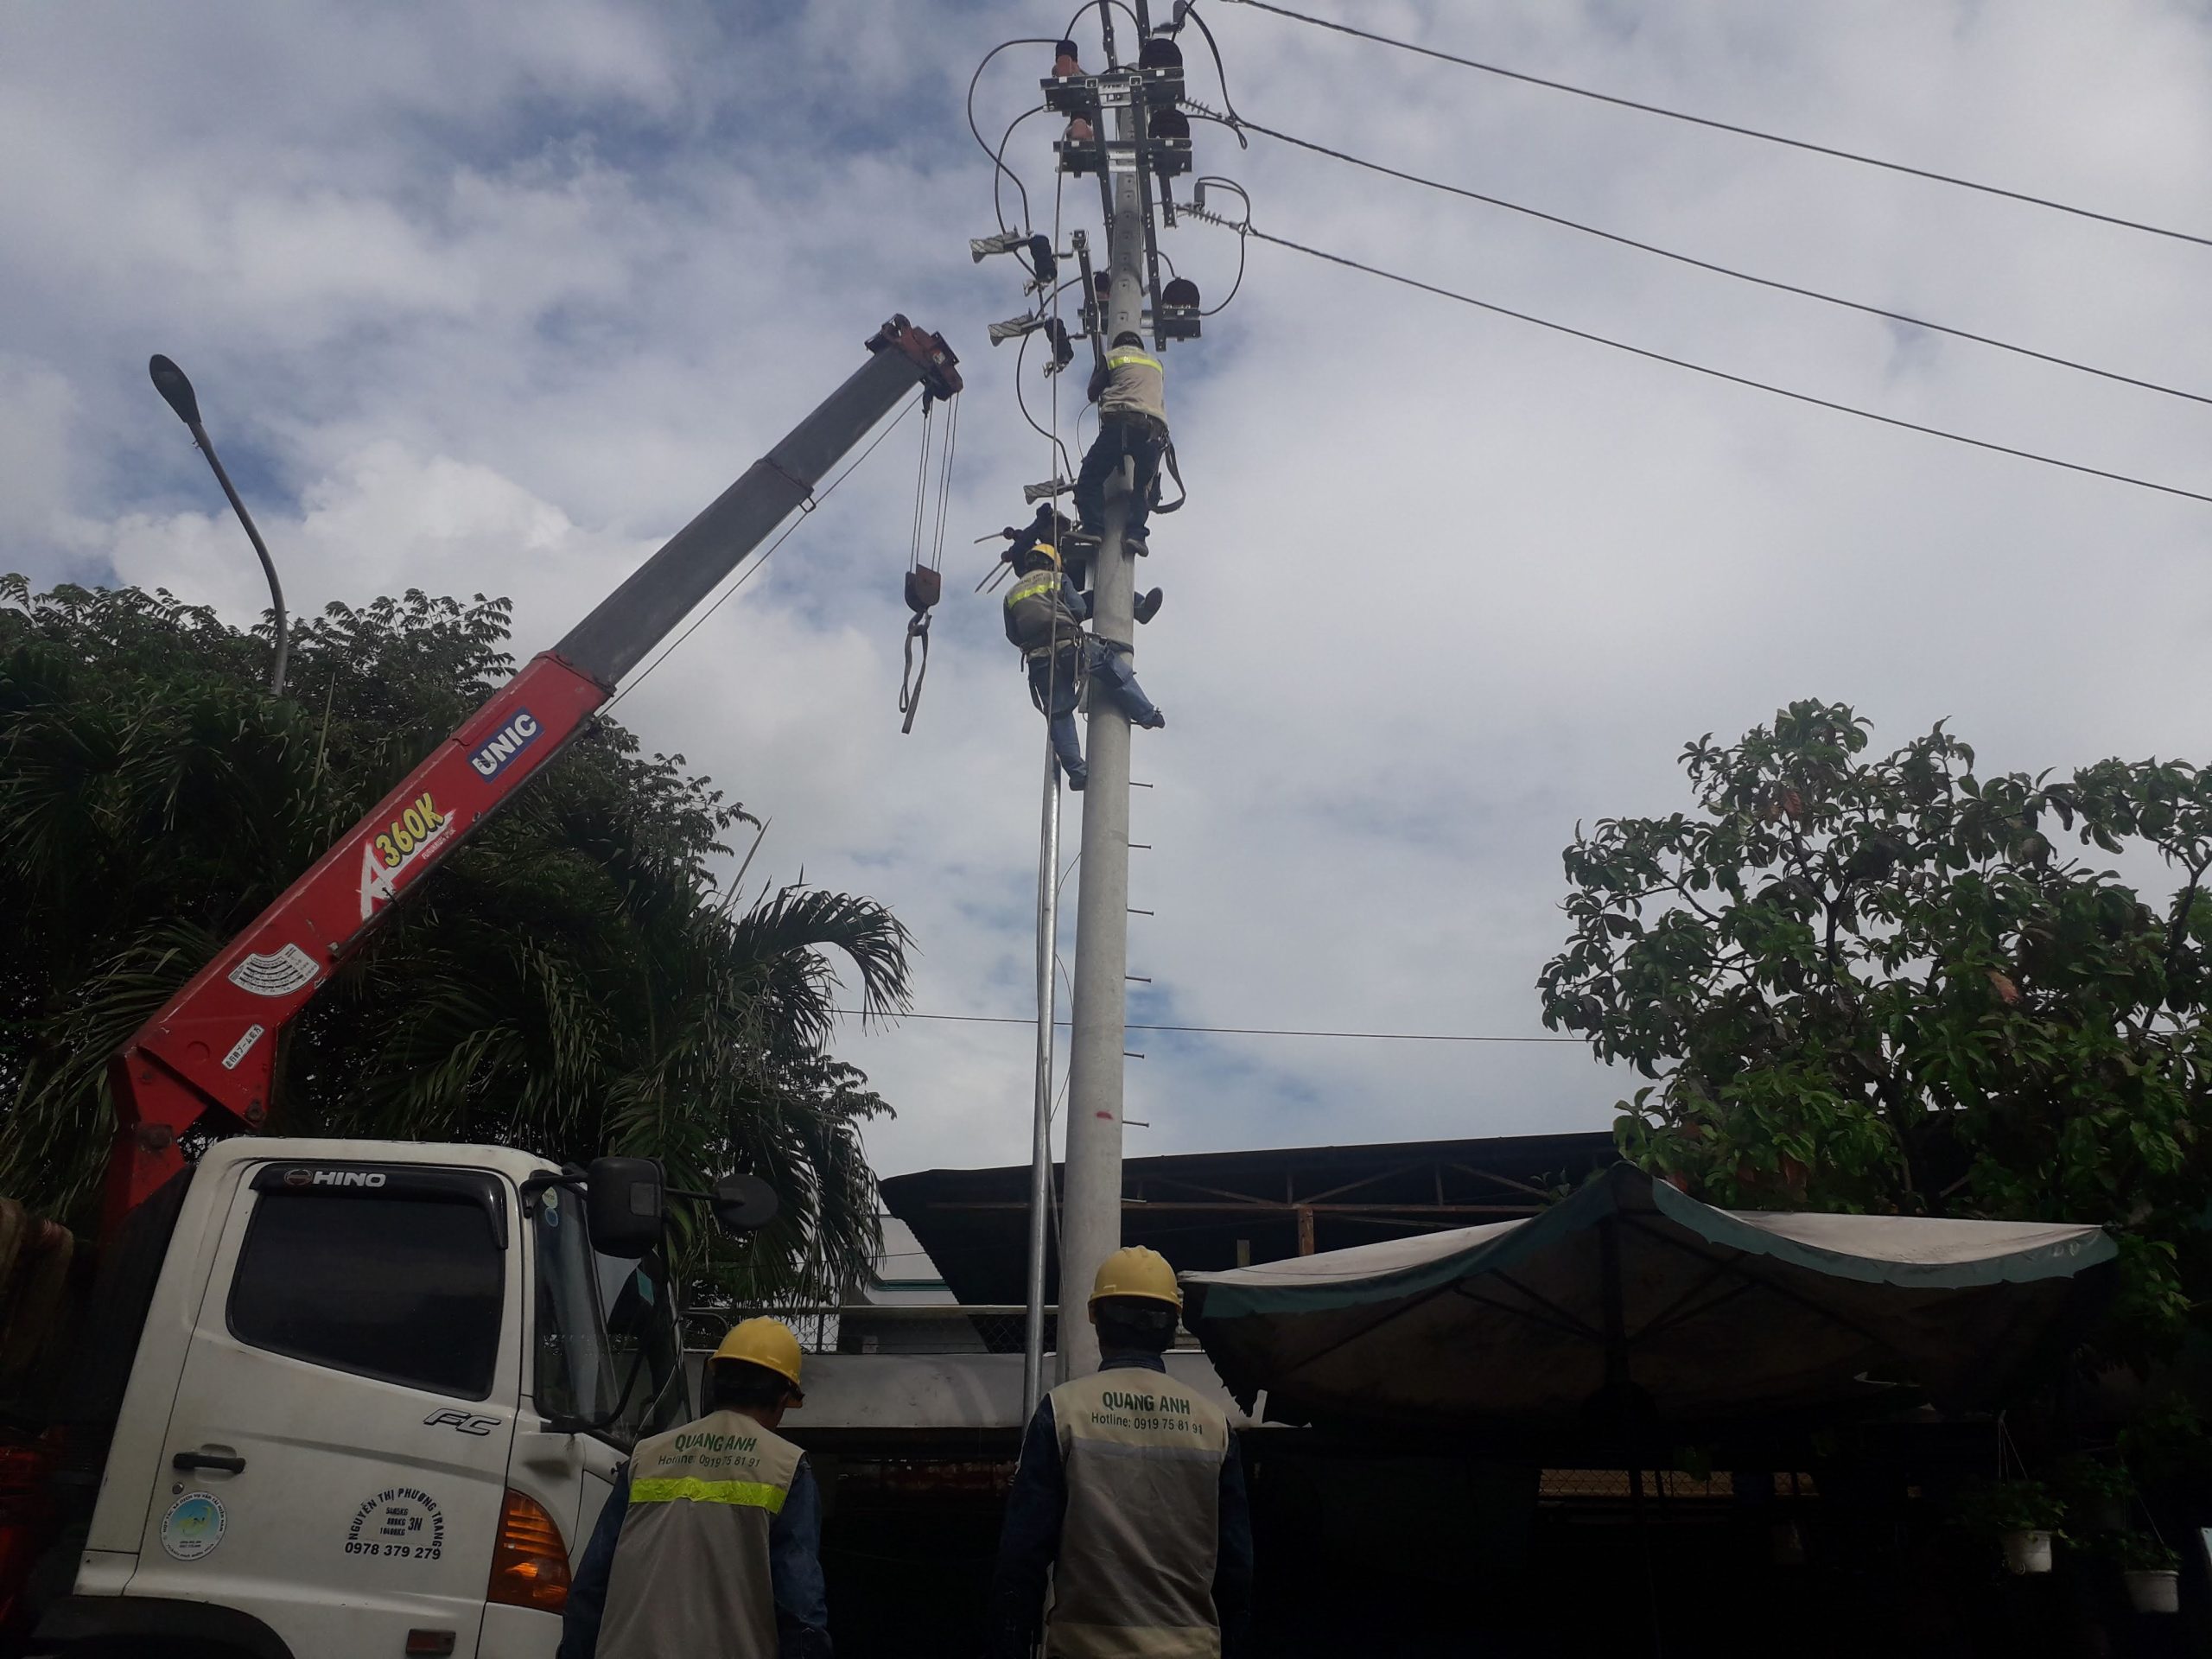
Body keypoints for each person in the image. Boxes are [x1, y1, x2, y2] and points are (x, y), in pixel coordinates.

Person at [987, 1247, 1254, 1658]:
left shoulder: (1062, 1413)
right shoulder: (1214, 1425)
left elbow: (1022, 1558)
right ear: (1171, 1329)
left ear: (1097, 1320)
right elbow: (1236, 1569)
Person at [560, 1319, 830, 1659]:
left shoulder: (646, 1456)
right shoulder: (787, 1468)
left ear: (714, 1382)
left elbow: (589, 1589)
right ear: (782, 1396)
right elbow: (799, 1607)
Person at [1001, 538, 1164, 792]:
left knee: (1059, 714)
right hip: (1069, 645)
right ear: (1053, 563)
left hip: (1039, 660)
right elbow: (1077, 608)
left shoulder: (1010, 594)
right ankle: (1147, 714)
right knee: (1111, 667)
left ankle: (1077, 773)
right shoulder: (1056, 578)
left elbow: (1013, 635)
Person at [1073, 331, 1168, 556]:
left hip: (1123, 423)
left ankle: (1094, 529)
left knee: (1090, 477)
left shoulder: (1113, 356)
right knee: (1142, 487)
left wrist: (1101, 374)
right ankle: (1136, 535)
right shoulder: (1156, 363)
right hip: (1153, 431)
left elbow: (1092, 393)